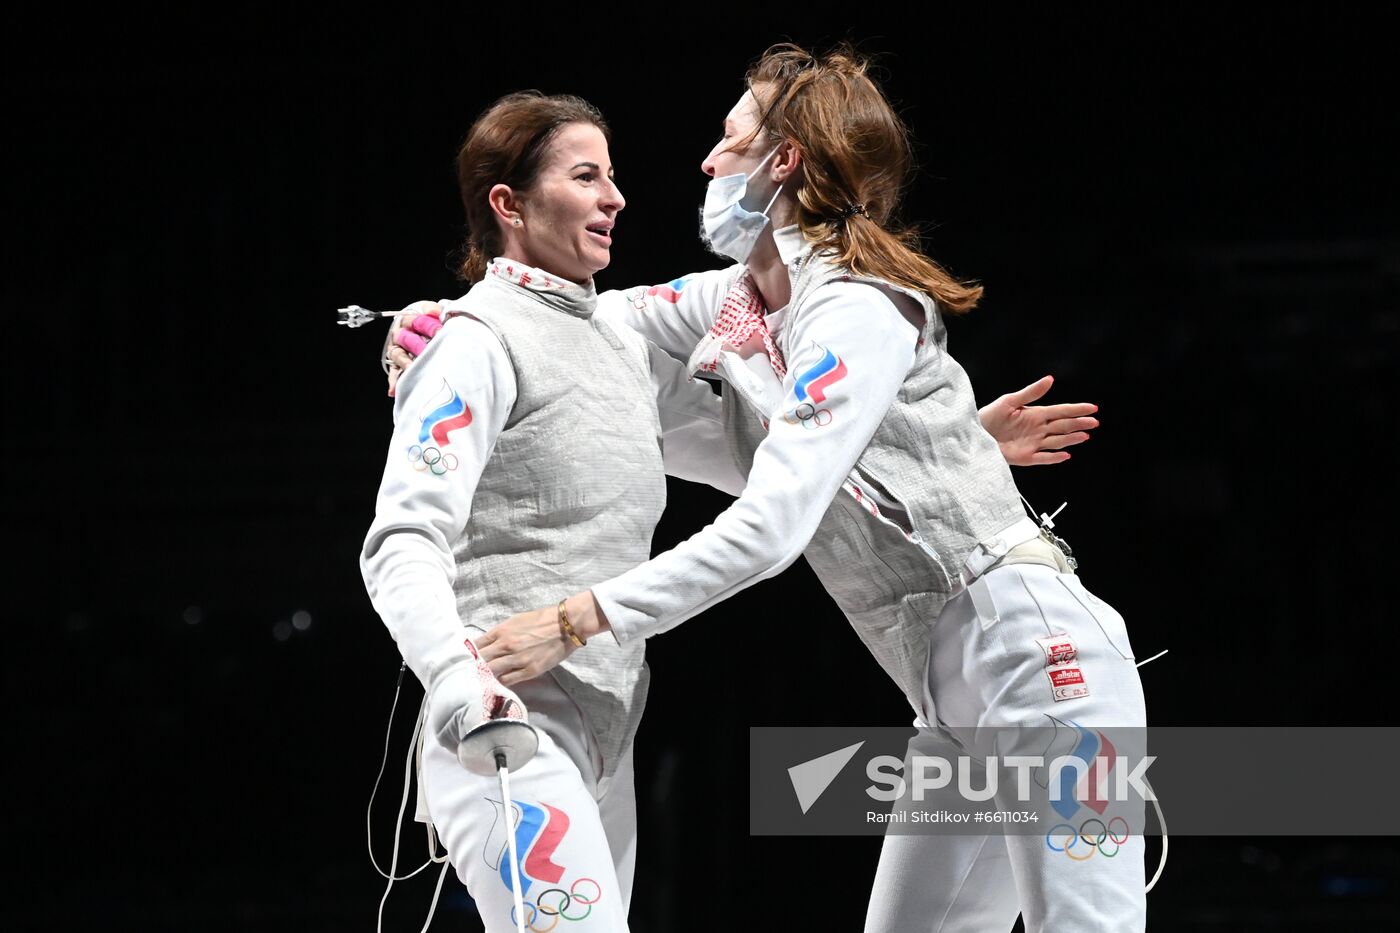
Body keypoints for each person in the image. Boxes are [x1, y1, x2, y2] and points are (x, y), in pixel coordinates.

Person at [391, 45, 1147, 932]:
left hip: (1043, 663)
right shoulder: (739, 301)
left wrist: (574, 618)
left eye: (729, 138)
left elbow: (771, 527)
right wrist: (435, 319)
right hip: (952, 706)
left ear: (783, 159)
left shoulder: (859, 303)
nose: (707, 162)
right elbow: (575, 318)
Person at [360, 90, 744, 933]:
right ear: (509, 203)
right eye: (585, 176)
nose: (615, 198)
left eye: (612, 176)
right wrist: (460, 682)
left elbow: (767, 465)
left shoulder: (619, 341)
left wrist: (954, 439)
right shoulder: (473, 341)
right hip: (507, 718)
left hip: (608, 728)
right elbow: (400, 540)